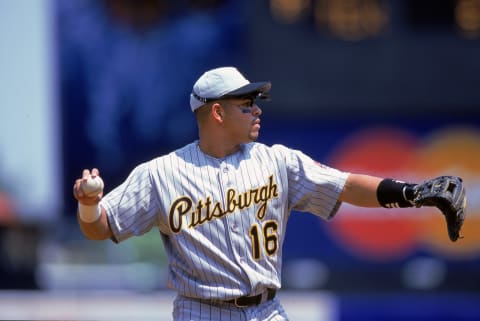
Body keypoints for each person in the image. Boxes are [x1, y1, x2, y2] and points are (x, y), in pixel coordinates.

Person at [73, 66, 463, 321]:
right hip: (201, 312)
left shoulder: (278, 162)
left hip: (268, 311)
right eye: (246, 104)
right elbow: (102, 228)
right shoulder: (160, 173)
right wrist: (89, 205)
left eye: (255, 104)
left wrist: (414, 193)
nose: (257, 111)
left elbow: (344, 185)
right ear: (217, 113)